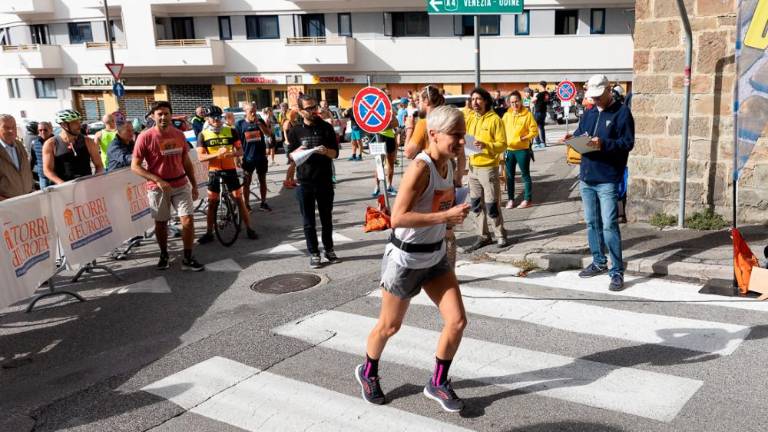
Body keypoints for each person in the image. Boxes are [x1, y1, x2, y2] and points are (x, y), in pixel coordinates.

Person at [355, 106, 470, 412]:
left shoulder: (451, 161)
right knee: (389, 327)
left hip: (435, 257)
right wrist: (446, 214)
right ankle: (368, 372)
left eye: (463, 135)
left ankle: (438, 382)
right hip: (405, 261)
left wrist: (451, 214)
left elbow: (439, 203)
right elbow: (398, 217)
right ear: (433, 134)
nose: (461, 141)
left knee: (457, 321)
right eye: (456, 136)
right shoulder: (420, 168)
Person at [562, 74, 634, 291]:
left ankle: (617, 271)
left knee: (609, 224)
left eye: (598, 96)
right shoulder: (590, 112)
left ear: (609, 89)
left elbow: (627, 143)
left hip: (608, 178)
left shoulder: (622, 113)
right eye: (592, 97)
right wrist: (571, 139)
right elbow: (579, 134)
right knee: (592, 223)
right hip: (587, 177)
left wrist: (604, 144)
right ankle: (598, 262)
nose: (595, 101)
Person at [132, 101, 204, 271]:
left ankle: (187, 257)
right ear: (153, 116)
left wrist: (193, 185)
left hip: (180, 184)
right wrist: (158, 180)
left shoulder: (179, 134)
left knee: (187, 220)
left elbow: (186, 162)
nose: (163, 117)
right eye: (160, 114)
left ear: (171, 115)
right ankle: (164, 254)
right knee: (161, 223)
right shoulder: (145, 136)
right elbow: (135, 166)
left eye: (166, 113)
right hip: (158, 188)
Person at [404, 85, 465, 267]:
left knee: (432, 223)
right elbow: (461, 154)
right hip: (449, 174)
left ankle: (434, 267)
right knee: (448, 229)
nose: (417, 105)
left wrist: (408, 129)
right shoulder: (449, 118)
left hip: (430, 178)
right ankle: (448, 269)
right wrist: (458, 179)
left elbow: (409, 152)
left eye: (418, 101)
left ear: (426, 101)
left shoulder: (425, 123)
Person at [286, 95, 341, 269]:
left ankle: (329, 250)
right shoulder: (295, 130)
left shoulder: (326, 127)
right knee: (308, 221)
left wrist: (326, 152)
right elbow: (290, 156)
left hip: (324, 180)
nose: (313, 110)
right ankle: (314, 253)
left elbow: (335, 154)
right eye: (308, 108)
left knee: (327, 219)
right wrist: (297, 153)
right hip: (304, 182)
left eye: (314, 107)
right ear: (301, 111)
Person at [196, 105, 258, 243]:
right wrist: (216, 154)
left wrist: (232, 153)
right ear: (207, 119)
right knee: (212, 203)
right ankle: (209, 233)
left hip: (230, 170)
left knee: (238, 199)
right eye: (213, 117)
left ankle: (249, 228)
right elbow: (200, 158)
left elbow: (241, 151)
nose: (217, 120)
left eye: (219, 117)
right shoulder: (203, 134)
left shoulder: (231, 131)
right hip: (214, 171)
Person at [464, 87, 507, 251]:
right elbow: (466, 138)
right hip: (472, 167)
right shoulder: (471, 118)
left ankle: (500, 235)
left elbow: (502, 145)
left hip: (488, 167)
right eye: (472, 99)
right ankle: (483, 236)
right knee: (475, 204)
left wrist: (486, 145)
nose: (474, 103)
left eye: (478, 99)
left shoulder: (495, 119)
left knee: (491, 204)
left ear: (486, 101)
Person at [43, 109, 104, 185]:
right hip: (64, 188)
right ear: (64, 125)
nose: (79, 125)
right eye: (75, 122)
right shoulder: (51, 144)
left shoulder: (88, 141)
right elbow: (47, 170)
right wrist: (62, 184)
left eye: (79, 121)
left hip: (86, 185)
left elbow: (99, 165)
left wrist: (95, 180)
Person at [501, 91, 538, 209]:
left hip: (522, 150)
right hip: (509, 150)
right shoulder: (506, 115)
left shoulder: (527, 115)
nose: (514, 104)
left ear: (520, 101)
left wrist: (525, 137)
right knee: (509, 176)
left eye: (516, 101)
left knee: (525, 175)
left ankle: (528, 199)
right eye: (512, 102)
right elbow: (501, 131)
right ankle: (511, 200)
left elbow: (534, 131)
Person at [236, 103, 273, 212]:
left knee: (263, 180)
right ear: (245, 111)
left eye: (255, 111)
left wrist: (260, 125)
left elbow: (269, 134)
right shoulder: (240, 124)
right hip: (248, 158)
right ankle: (246, 204)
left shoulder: (260, 121)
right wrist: (237, 158)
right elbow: (236, 143)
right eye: (251, 111)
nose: (253, 113)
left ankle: (263, 202)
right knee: (246, 182)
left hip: (261, 157)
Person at [0, 114, 34, 200]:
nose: (11, 130)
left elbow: (26, 171)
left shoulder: (19, 145)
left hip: (28, 198)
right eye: (6, 127)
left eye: (13, 127)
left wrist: (32, 189)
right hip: (7, 203)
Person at [372, 111, 399, 197]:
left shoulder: (389, 111)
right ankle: (377, 187)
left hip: (389, 137)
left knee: (390, 162)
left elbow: (396, 123)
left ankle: (389, 186)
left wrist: (386, 126)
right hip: (379, 137)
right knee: (379, 162)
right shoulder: (374, 110)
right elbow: (369, 125)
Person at [29, 122, 53, 189]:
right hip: (43, 176)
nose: (43, 132)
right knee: (45, 197)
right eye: (40, 130)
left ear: (50, 130)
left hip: (55, 175)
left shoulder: (56, 141)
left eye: (45, 130)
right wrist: (29, 172)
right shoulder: (35, 143)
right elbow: (32, 159)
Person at [282, 108, 300, 189]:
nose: (296, 115)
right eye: (295, 114)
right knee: (292, 164)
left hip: (294, 144)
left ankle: (292, 180)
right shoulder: (287, 122)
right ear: (291, 115)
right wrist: (287, 141)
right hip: (290, 145)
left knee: (294, 164)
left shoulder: (294, 122)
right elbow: (285, 132)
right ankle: (286, 181)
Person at [532, 81, 550, 148]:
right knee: (541, 127)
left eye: (539, 86)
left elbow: (533, 100)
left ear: (541, 86)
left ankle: (538, 142)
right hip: (544, 111)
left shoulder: (540, 94)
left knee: (535, 127)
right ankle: (543, 142)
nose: (538, 87)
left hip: (538, 111)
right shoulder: (547, 93)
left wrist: (534, 96)